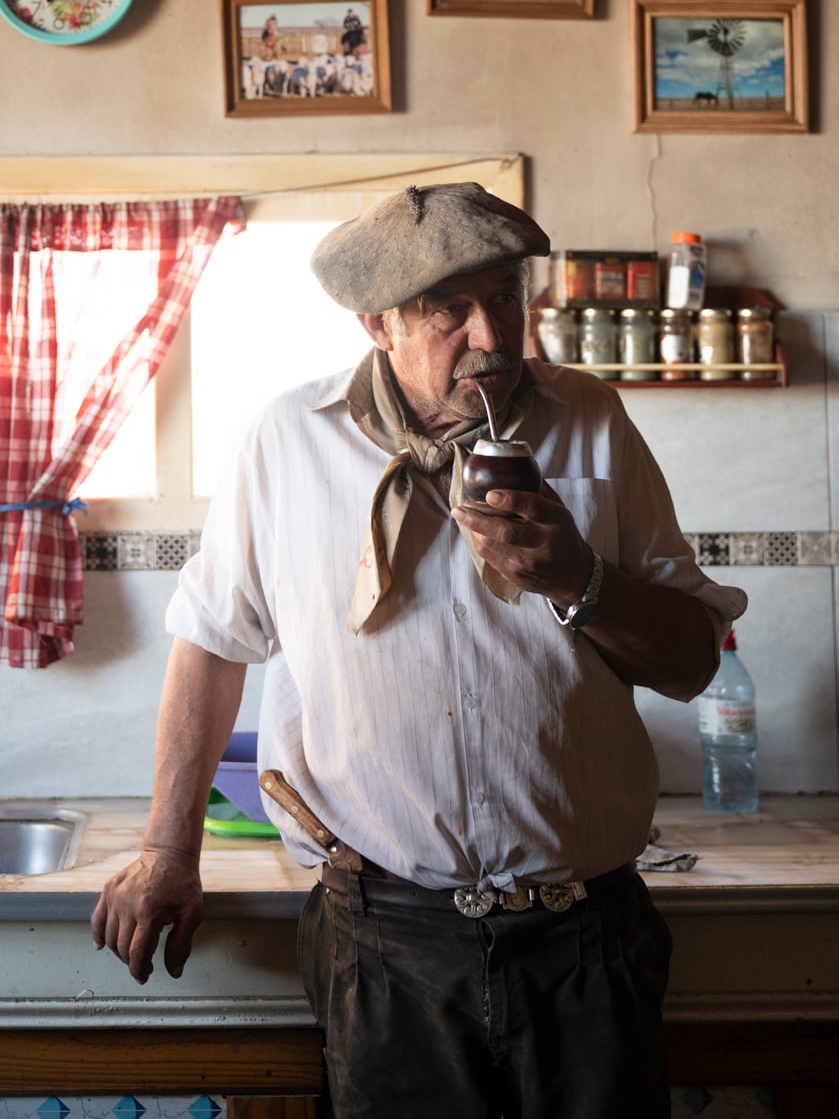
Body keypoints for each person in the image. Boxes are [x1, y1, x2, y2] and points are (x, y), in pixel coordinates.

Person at [91, 182, 747, 1119]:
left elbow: (691, 662)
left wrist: (578, 578)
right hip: (383, 943)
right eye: (452, 309)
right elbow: (211, 641)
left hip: (584, 941)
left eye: (506, 298)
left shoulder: (590, 420)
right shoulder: (286, 439)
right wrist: (167, 847)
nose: (492, 335)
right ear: (375, 322)